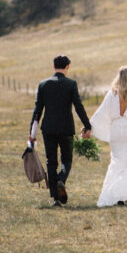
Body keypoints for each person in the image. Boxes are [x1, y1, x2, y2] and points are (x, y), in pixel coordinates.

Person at [29, 54, 92, 207]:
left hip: (48, 129)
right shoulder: (71, 84)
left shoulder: (43, 84)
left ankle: (55, 198)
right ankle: (61, 180)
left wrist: (32, 133)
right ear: (67, 67)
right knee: (67, 159)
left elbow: (38, 110)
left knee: (51, 161)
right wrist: (87, 126)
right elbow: (78, 107)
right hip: (66, 129)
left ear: (53, 66)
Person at [90, 65, 127, 207]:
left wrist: (90, 128)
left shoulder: (112, 94)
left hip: (117, 133)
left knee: (116, 164)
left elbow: (101, 114)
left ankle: (116, 194)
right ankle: (119, 194)